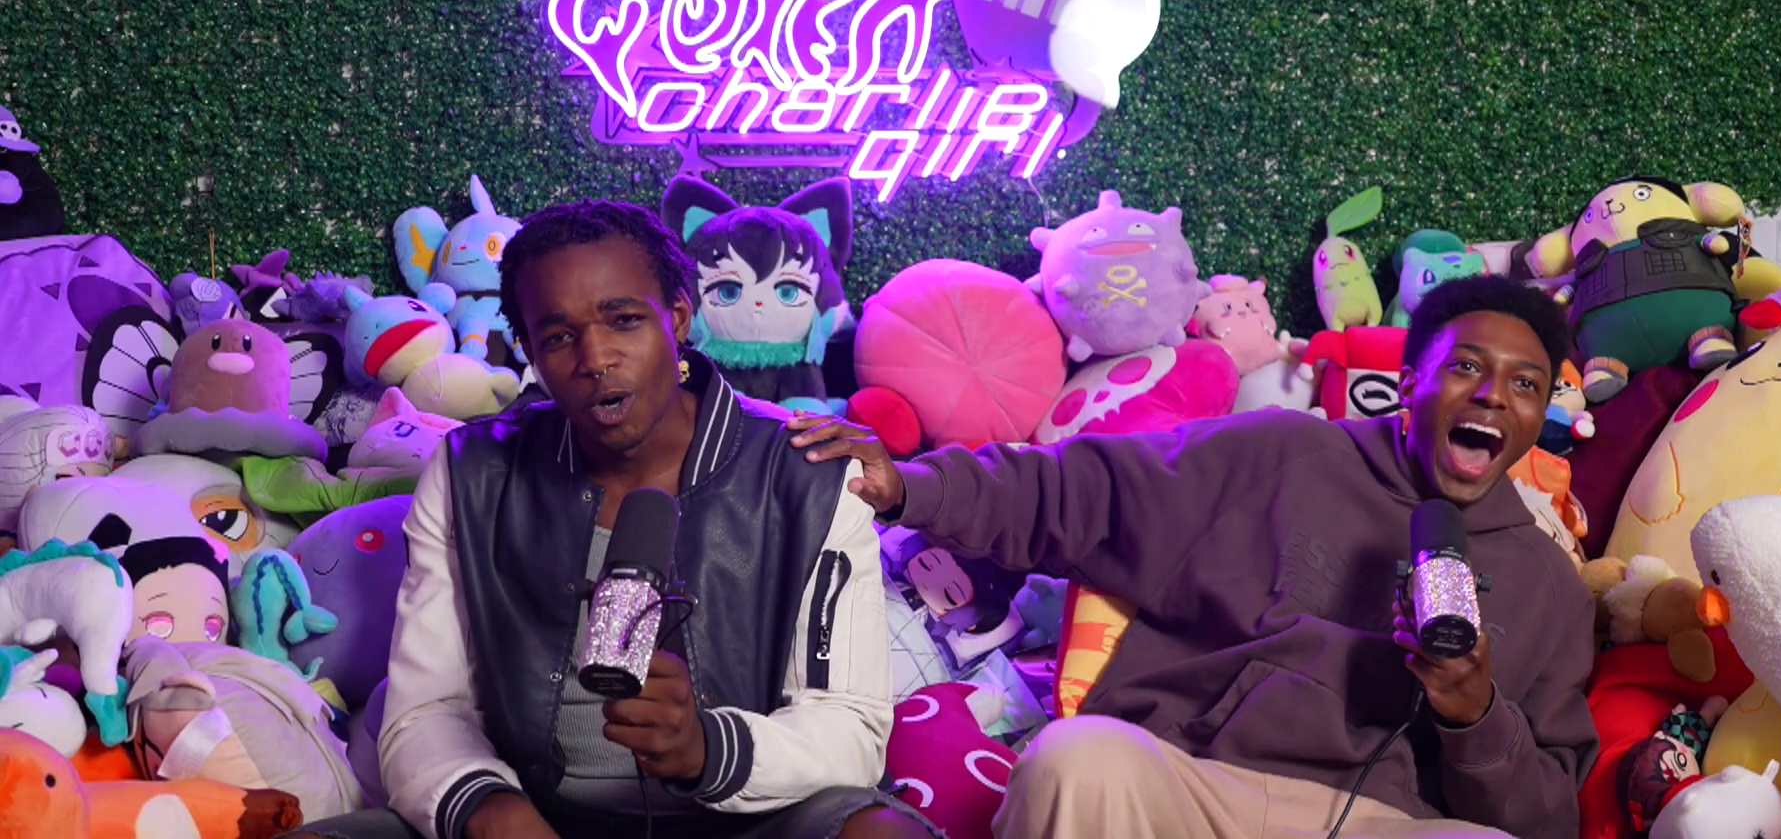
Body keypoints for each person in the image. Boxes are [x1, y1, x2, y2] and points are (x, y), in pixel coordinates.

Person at [791, 275, 1600, 839]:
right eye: (1467, 367)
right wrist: (909, 486)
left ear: (1539, 416)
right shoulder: (1280, 454)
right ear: (1412, 379)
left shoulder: (1551, 590)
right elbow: (1071, 491)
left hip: (1383, 820)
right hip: (1194, 782)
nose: (1493, 395)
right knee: (1075, 762)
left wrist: (1475, 717)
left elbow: (1546, 819)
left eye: (1526, 385)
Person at [289, 200, 933, 839]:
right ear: (530, 352)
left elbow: (849, 727)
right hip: (533, 814)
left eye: (623, 320)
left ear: (678, 317)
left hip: (748, 823)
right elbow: (426, 710)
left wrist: (708, 748)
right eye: (558, 337)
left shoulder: (810, 473)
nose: (594, 357)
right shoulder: (470, 474)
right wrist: (493, 814)